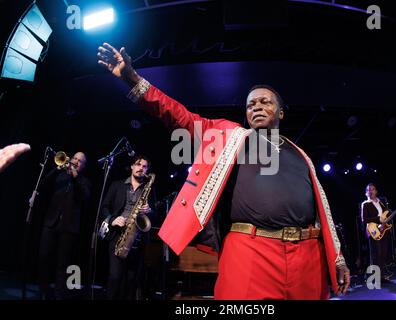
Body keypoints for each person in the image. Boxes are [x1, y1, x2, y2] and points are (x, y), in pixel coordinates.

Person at [97, 43, 350, 299]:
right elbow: (179, 116)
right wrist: (132, 78)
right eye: (251, 105)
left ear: (281, 113)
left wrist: (337, 259)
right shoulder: (229, 136)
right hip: (251, 252)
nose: (256, 107)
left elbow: (323, 212)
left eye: (265, 102)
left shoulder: (301, 153)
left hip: (307, 257)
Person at [38, 152, 91, 299]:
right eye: (74, 158)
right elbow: (43, 184)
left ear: (83, 166)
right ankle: (42, 290)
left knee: (62, 263)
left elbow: (85, 196)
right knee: (43, 256)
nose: (75, 162)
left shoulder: (84, 181)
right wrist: (57, 168)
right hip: (51, 222)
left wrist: (75, 176)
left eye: (80, 161)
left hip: (69, 227)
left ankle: (58, 295)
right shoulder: (60, 176)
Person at [101, 155, 155, 300]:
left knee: (132, 281)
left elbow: (155, 214)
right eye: (138, 164)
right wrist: (112, 219)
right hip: (118, 234)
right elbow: (104, 207)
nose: (140, 168)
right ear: (132, 166)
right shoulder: (117, 185)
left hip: (137, 239)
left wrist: (150, 210)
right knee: (115, 277)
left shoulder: (149, 189)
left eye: (144, 166)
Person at [361, 183, 396, 281]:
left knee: (383, 253)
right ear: (366, 193)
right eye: (369, 190)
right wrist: (378, 219)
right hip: (374, 230)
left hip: (383, 230)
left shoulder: (381, 202)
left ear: (376, 191)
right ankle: (375, 277)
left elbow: (388, 214)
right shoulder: (365, 204)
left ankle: (382, 276)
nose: (371, 191)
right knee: (376, 254)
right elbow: (364, 220)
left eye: (373, 189)